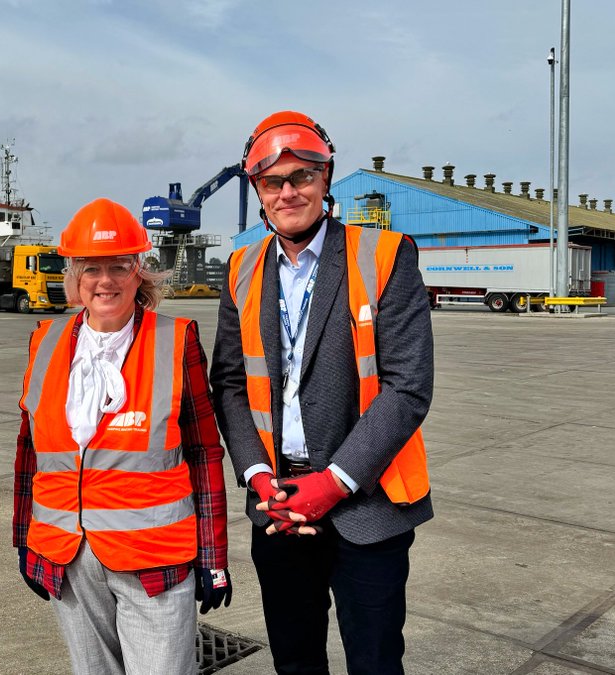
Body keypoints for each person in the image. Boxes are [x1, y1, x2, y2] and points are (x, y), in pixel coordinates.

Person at [210, 111, 434, 674]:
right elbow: (231, 383)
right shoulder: (240, 268)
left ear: (326, 179)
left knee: (376, 661)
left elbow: (408, 387)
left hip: (367, 501)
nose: (288, 192)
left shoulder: (383, 255)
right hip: (279, 502)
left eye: (301, 177)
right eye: (272, 182)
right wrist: (258, 477)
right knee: (295, 659)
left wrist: (333, 483)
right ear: (257, 191)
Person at [12, 198, 231, 675]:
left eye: (119, 266)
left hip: (153, 560)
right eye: (91, 268)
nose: (105, 281)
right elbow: (31, 453)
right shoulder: (44, 340)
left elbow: (203, 451)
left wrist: (214, 559)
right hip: (68, 556)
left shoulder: (176, 339)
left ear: (140, 273)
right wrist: (26, 541)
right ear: (74, 276)